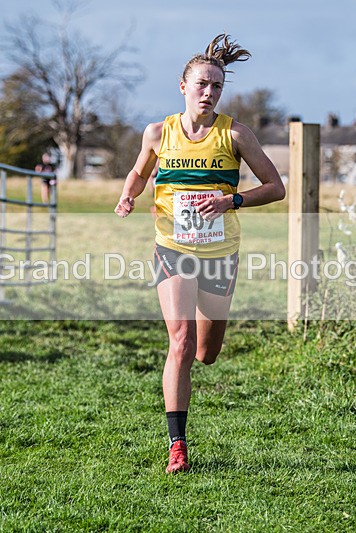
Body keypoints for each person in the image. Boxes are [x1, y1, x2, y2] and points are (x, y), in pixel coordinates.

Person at [114, 34, 285, 473]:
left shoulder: (236, 134)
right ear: (183, 85)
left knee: (206, 352)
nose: (209, 93)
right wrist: (129, 196)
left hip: (220, 252)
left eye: (217, 87)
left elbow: (276, 187)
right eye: (202, 85)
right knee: (181, 342)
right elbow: (137, 173)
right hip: (172, 247)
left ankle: (197, 368)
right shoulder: (158, 132)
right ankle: (177, 446)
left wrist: (232, 201)